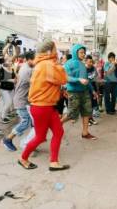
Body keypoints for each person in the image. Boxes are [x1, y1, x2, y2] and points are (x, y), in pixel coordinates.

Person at [19, 40, 70, 171]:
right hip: (42, 106)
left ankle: (53, 162)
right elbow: (62, 78)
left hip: (46, 106)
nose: (56, 52)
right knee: (41, 137)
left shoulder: (43, 64)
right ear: (48, 51)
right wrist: (58, 63)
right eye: (55, 49)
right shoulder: (48, 64)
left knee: (58, 132)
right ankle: (23, 158)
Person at [62, 44, 98, 140]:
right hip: (73, 92)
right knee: (71, 114)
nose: (83, 54)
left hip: (85, 91)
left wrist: (93, 90)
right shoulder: (68, 64)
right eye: (81, 52)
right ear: (75, 52)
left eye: (84, 52)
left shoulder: (82, 64)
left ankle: (85, 133)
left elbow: (86, 79)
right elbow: (67, 78)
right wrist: (78, 80)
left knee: (86, 112)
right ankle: (58, 124)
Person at [3, 52, 35, 151]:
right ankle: (8, 139)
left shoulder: (26, 67)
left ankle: (30, 142)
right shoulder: (27, 70)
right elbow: (35, 83)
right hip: (21, 100)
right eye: (35, 59)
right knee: (26, 122)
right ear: (29, 59)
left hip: (23, 100)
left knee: (30, 122)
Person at [0, 57, 16, 124]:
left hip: (11, 88)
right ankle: (3, 117)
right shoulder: (2, 69)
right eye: (8, 61)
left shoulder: (11, 69)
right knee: (8, 103)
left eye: (11, 61)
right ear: (4, 62)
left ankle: (5, 115)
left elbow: (14, 77)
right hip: (4, 89)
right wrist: (10, 80)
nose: (10, 62)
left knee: (9, 103)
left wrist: (15, 80)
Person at [85, 54, 99, 125]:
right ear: (86, 61)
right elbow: (85, 81)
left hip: (94, 87)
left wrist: (97, 90)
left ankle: (90, 118)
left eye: (91, 61)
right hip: (87, 89)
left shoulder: (94, 68)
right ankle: (87, 120)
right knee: (88, 105)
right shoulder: (84, 69)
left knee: (93, 104)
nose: (91, 63)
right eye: (89, 61)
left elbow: (96, 78)